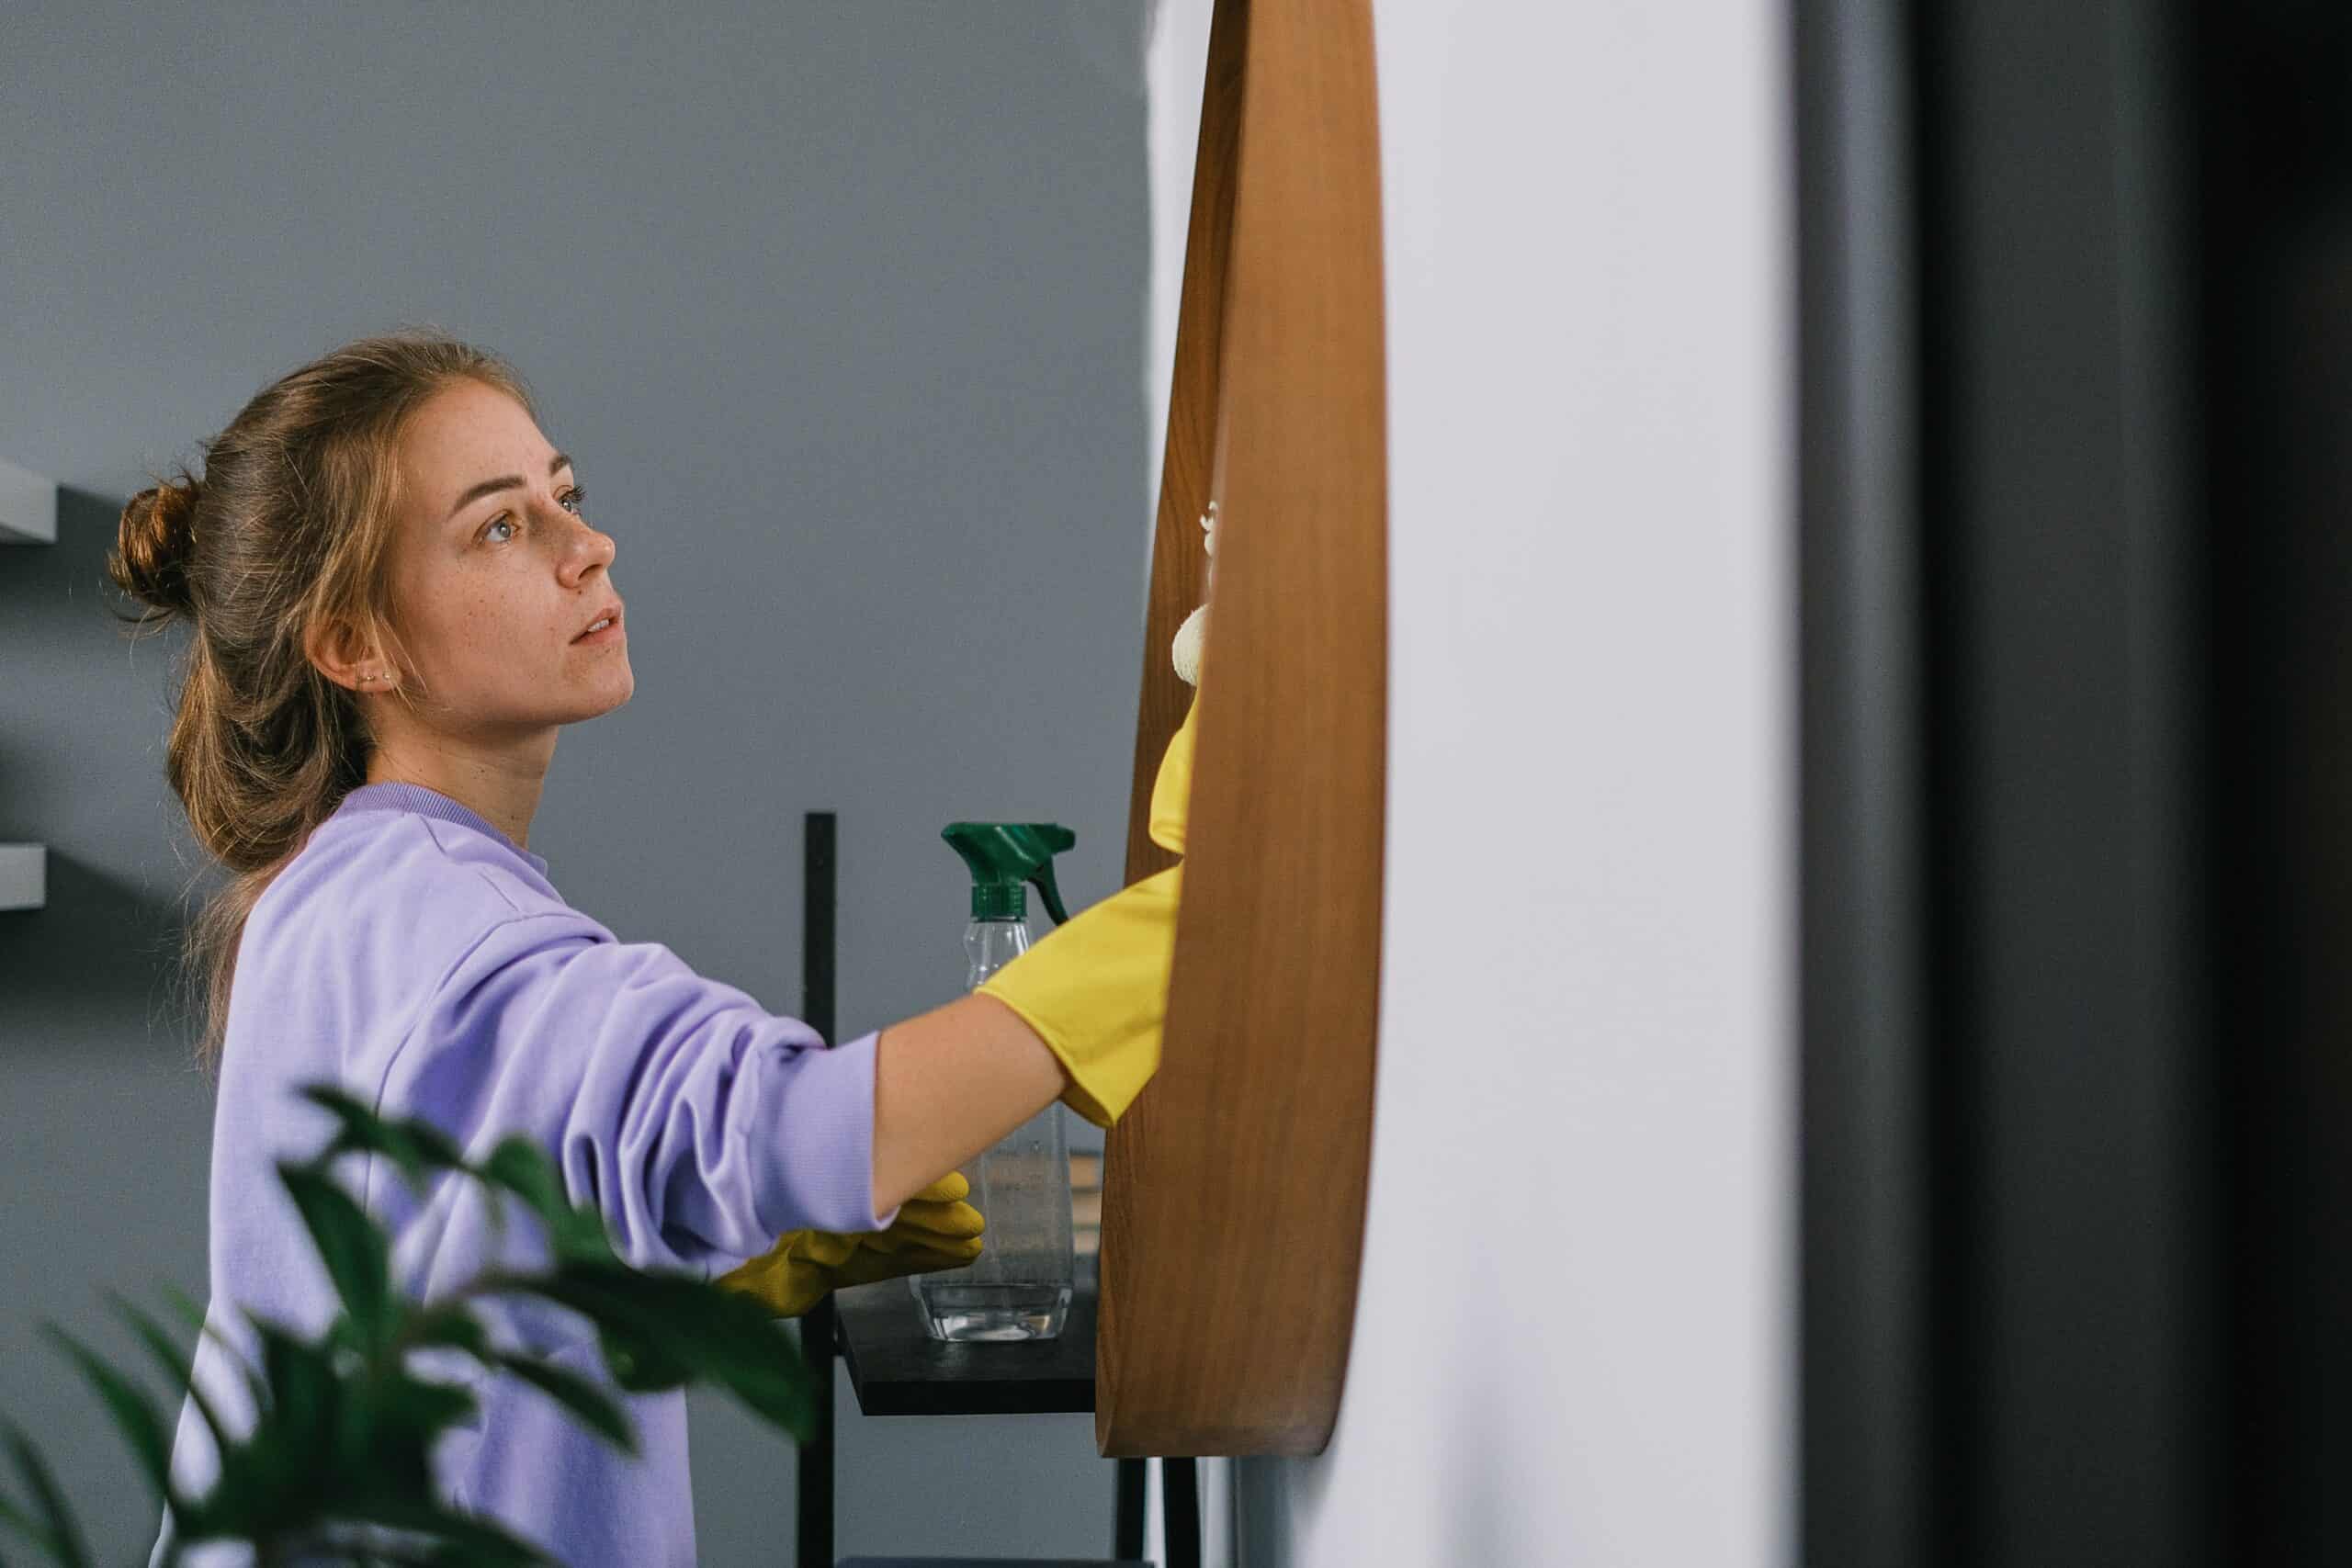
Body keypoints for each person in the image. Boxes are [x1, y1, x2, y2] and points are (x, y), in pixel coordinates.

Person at [108, 329, 1187, 1566]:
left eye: (564, 496)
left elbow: (435, 1264)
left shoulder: (330, 895)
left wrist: (686, 1267)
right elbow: (781, 1127)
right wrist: (1191, 923)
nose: (590, 545)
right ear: (357, 646)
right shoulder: (452, 926)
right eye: (500, 527)